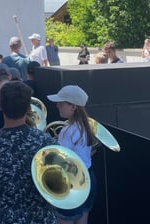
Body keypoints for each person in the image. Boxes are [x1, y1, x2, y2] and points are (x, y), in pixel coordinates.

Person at [0, 81, 56, 224]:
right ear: (29, 108)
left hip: (8, 218)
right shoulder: (46, 140)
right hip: (42, 217)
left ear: (0, 106)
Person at [47, 85, 97, 224]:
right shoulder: (87, 126)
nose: (57, 105)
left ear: (73, 107)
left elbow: (59, 159)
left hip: (72, 183)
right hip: (88, 178)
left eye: (61, 103)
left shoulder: (67, 130)